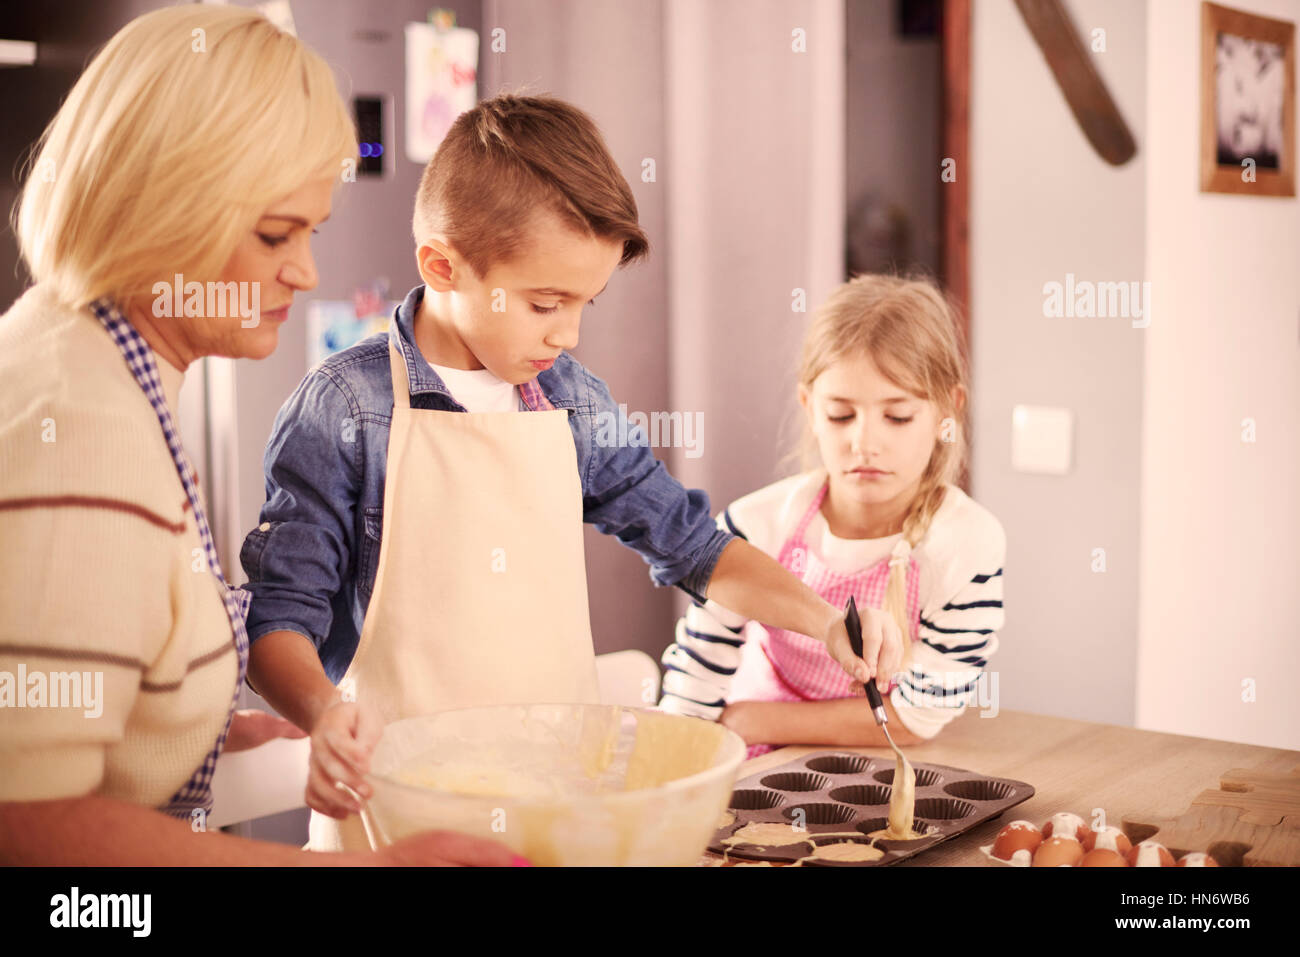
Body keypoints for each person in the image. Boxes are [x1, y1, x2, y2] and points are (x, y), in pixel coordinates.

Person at [239, 93, 904, 852]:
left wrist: (826, 622)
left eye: (586, 301)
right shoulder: (344, 410)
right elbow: (277, 624)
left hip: (554, 815)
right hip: (392, 821)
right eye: (545, 302)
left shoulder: (568, 399)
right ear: (442, 264)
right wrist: (326, 715)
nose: (570, 332)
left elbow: (694, 546)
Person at [0, 4, 519, 866]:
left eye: (311, 231)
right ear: (159, 207)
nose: (306, 271)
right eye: (276, 233)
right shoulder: (84, 427)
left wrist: (181, 722)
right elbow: (31, 825)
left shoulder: (78, 354)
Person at [658, 274, 1006, 757]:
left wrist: (749, 719)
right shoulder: (753, 525)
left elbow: (915, 718)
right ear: (809, 407)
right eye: (841, 415)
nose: (865, 442)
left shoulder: (967, 543)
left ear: (949, 411)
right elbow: (693, 684)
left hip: (873, 755)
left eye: (898, 416)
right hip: (755, 755)